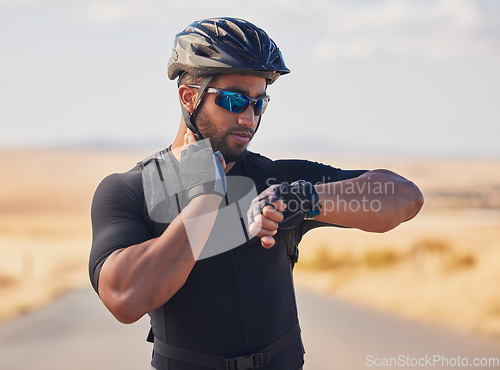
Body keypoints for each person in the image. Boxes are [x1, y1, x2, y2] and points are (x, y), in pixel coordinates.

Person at [89, 17, 424, 370]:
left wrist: (303, 198)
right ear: (189, 97)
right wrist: (206, 199)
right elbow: (124, 299)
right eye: (234, 101)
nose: (249, 118)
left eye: (259, 103)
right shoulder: (131, 190)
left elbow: (404, 197)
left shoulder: (277, 179)